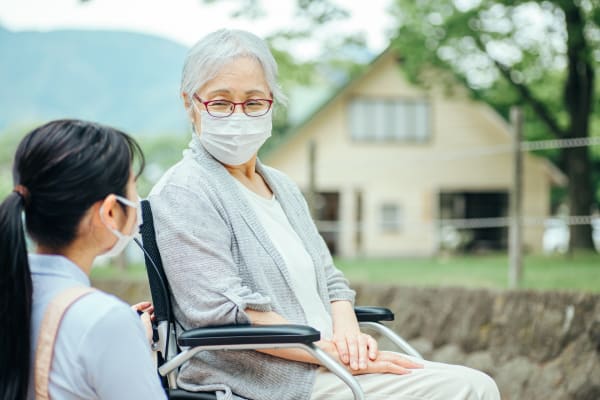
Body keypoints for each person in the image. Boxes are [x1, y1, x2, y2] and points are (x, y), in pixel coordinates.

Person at [149, 29, 501, 400]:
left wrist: (348, 338)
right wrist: (331, 352)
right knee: (470, 388)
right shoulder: (185, 191)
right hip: (269, 377)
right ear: (190, 104)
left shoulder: (282, 187)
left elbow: (332, 282)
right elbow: (222, 312)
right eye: (220, 103)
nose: (238, 116)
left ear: (272, 102)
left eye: (254, 102)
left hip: (326, 361)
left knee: (468, 381)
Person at [0, 119, 166, 400]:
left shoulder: (13, 291)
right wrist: (125, 339)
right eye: (132, 188)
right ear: (111, 211)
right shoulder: (105, 321)